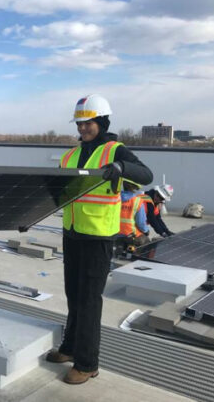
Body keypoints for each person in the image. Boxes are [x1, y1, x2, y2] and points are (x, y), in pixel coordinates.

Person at [47, 94, 153, 384]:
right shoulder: (69, 155)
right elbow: (58, 188)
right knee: (74, 295)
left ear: (102, 122)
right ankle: (70, 348)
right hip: (72, 232)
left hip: (98, 237)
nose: (83, 128)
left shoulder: (115, 150)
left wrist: (121, 168)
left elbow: (146, 174)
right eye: (80, 123)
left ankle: (88, 363)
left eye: (88, 123)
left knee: (89, 300)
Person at [117, 180, 150, 248]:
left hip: (115, 235)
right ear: (136, 187)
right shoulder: (137, 201)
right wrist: (146, 231)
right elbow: (141, 223)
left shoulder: (115, 198)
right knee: (147, 242)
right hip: (131, 236)